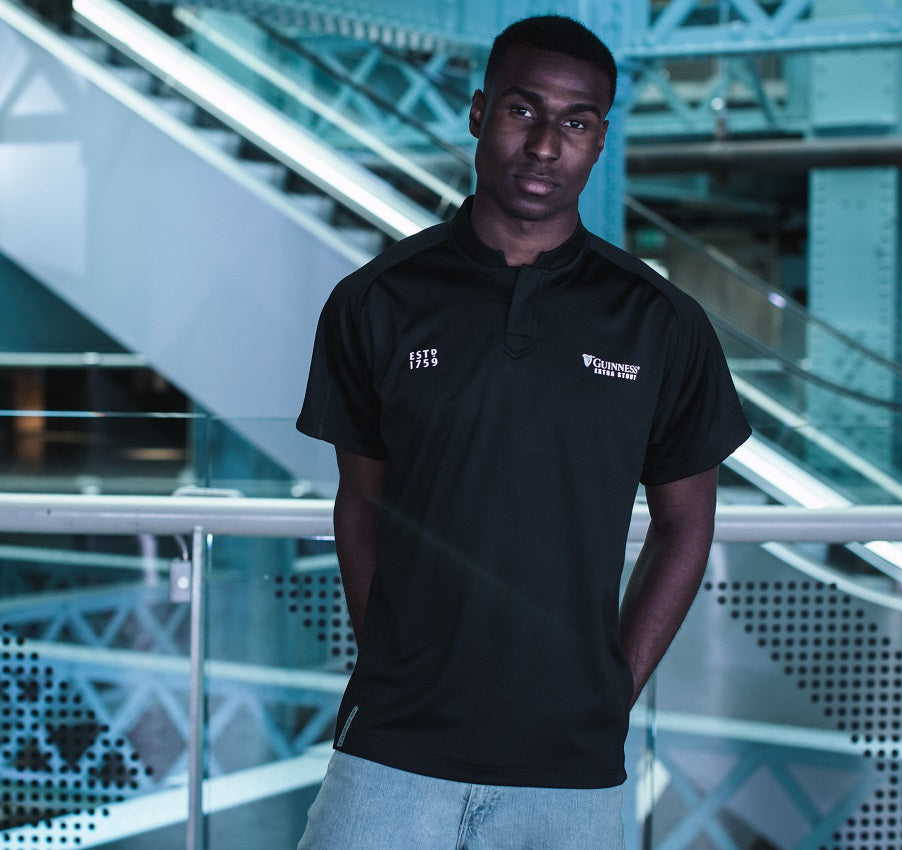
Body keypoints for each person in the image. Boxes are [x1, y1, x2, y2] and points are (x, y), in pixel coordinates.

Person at [294, 14, 751, 849]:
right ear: (477, 113)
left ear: (600, 138)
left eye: (575, 123)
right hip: (390, 751)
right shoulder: (377, 301)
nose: (546, 144)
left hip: (568, 770)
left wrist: (614, 687)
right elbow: (360, 504)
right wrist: (391, 659)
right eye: (522, 111)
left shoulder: (659, 323)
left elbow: (687, 523)